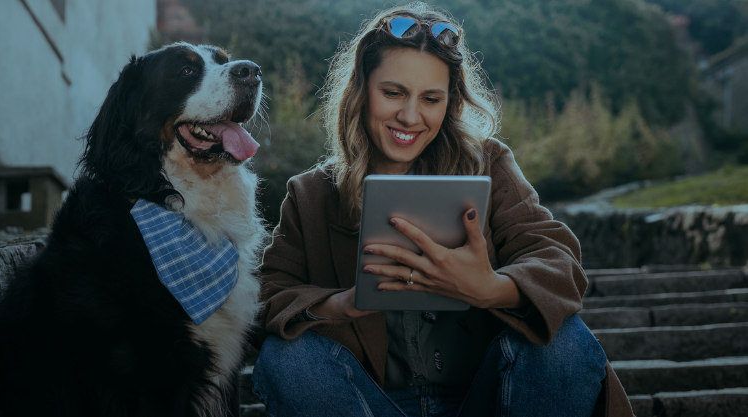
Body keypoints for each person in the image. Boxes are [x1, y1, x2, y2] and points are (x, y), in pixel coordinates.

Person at [251, 3, 633, 416]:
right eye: (393, 92)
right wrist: (339, 305)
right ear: (362, 92)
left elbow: (559, 261)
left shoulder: (489, 164)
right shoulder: (311, 194)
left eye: (430, 98)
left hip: (490, 397)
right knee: (286, 358)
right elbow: (268, 296)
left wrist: (490, 288)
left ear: (449, 103)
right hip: (368, 402)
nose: (410, 116)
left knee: (563, 341)